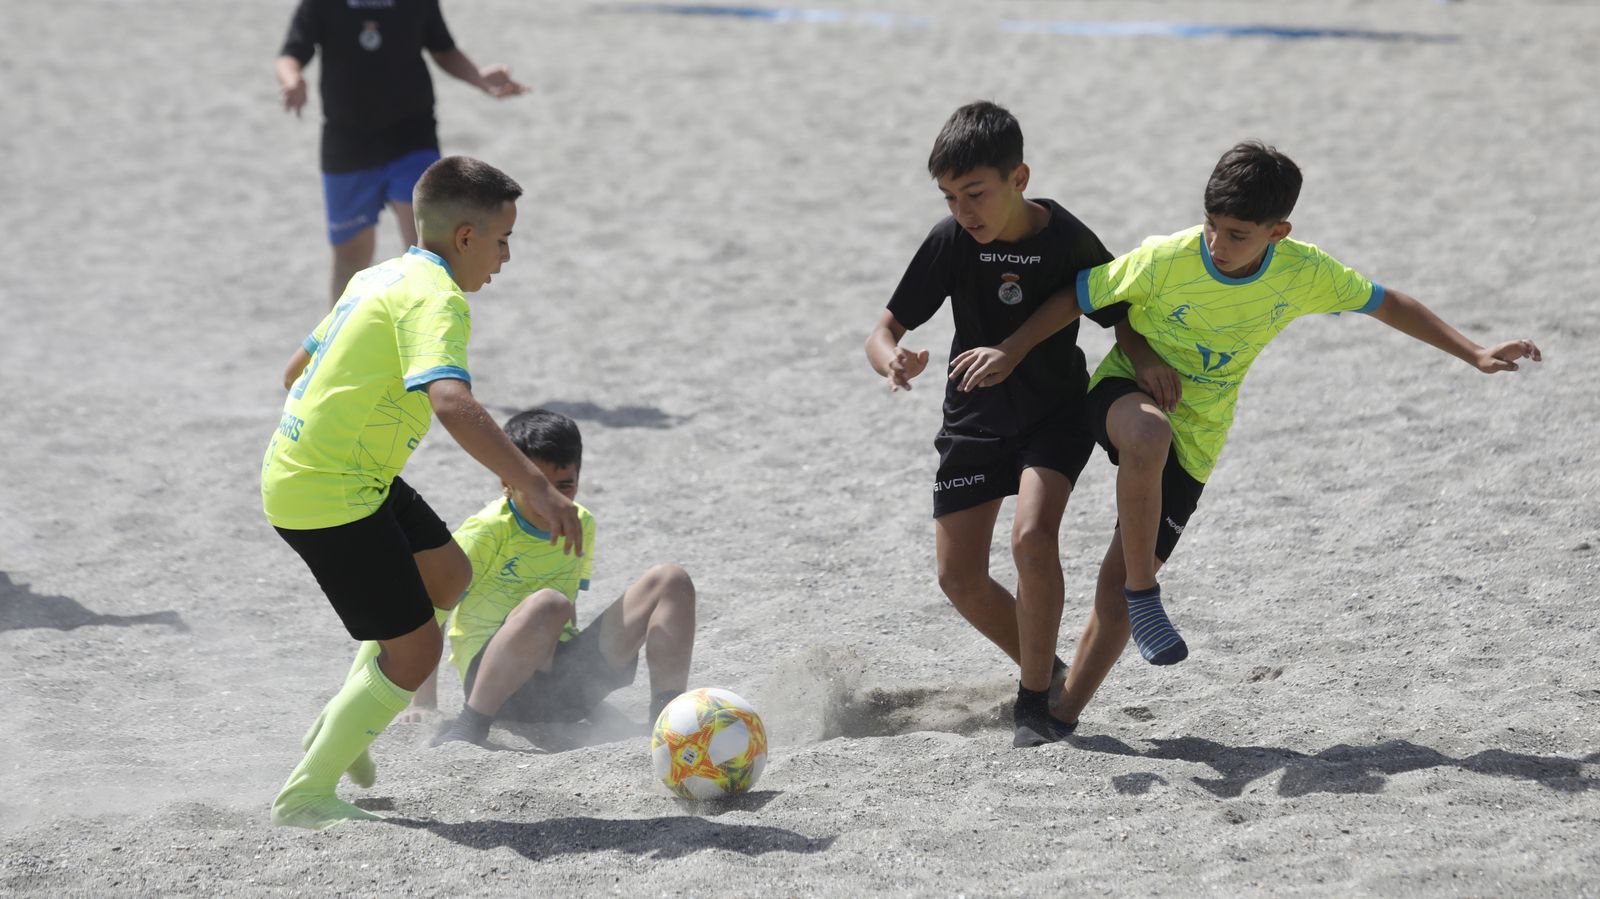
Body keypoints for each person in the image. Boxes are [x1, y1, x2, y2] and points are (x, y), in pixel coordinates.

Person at [1001, 140, 1540, 728]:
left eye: (1237, 234)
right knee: (1148, 437)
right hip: (1123, 394)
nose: (1217, 244)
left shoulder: (1304, 272)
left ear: (1278, 232)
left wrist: (1474, 352)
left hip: (1201, 434)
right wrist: (1010, 351)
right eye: (1211, 226)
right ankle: (1145, 592)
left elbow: (1389, 304)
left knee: (1111, 586)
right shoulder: (1165, 257)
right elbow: (1076, 298)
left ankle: (1062, 715)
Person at [262, 156, 583, 830]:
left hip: (333, 469)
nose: (505, 258)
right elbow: (449, 400)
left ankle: (341, 721)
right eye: (503, 240)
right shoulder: (439, 297)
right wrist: (535, 485)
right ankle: (306, 794)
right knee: (416, 653)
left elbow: (295, 367)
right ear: (465, 237)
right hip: (330, 490)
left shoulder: (379, 275)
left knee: (449, 574)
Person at [863, 101, 1147, 747]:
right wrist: (893, 360)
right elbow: (882, 329)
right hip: (973, 417)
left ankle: (1032, 705)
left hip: (1053, 414)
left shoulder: (1066, 236)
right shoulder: (950, 241)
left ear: (1019, 178)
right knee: (958, 577)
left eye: (975, 193)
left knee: (1031, 538)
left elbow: (1122, 310)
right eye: (949, 196)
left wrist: (1149, 361)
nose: (964, 210)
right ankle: (1046, 669)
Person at [429, 409, 696, 747]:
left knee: (671, 579)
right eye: (539, 486)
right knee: (550, 603)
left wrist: (591, 702)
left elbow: (566, 622)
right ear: (507, 481)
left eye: (565, 485)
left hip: (561, 685)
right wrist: (424, 701)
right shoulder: (486, 530)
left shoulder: (581, 522)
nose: (553, 499)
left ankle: (669, 721)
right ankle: (470, 726)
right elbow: (431, 608)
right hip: (496, 691)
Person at [275, 0, 528, 302]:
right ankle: (338, 344)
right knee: (350, 260)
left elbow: (443, 48)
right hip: (347, 143)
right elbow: (291, 53)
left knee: (429, 256)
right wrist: (292, 79)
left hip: (412, 138)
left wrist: (479, 78)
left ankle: (427, 341)